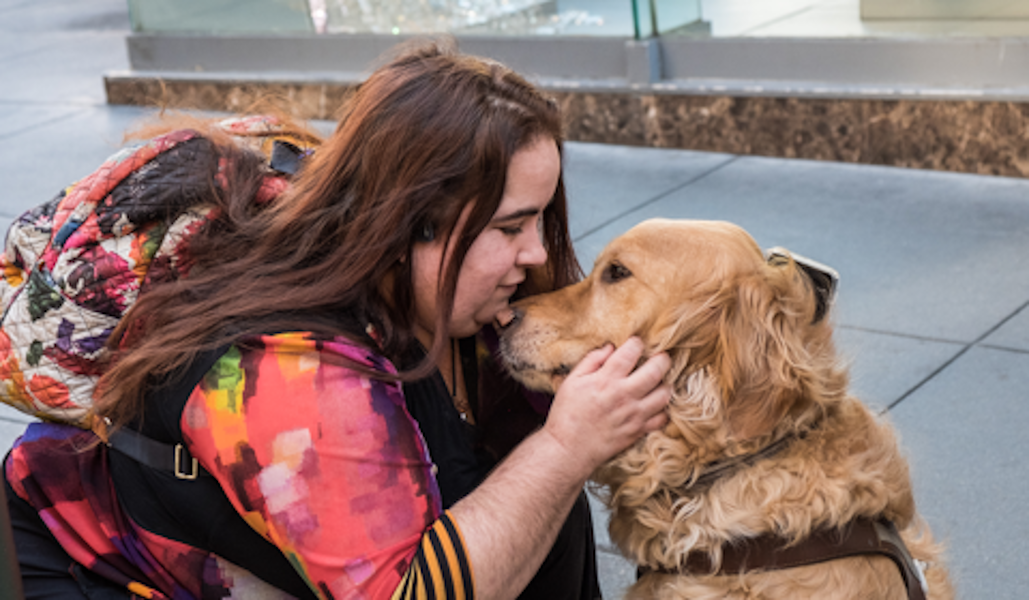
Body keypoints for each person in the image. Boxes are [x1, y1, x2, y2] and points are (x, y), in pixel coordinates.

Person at [3, 40, 671, 600]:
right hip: (95, 572)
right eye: (510, 225)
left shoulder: (453, 292)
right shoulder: (287, 365)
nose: (535, 252)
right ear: (412, 225)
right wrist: (564, 450)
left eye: (539, 217)